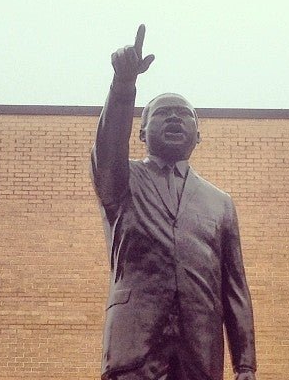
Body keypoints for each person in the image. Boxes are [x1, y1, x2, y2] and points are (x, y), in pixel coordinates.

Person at [91, 24, 257, 380]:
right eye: (163, 113)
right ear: (141, 132)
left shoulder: (220, 203)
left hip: (199, 349)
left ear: (199, 134)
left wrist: (245, 364)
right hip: (134, 345)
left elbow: (235, 287)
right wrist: (123, 86)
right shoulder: (122, 181)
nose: (174, 118)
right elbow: (106, 150)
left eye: (183, 114)